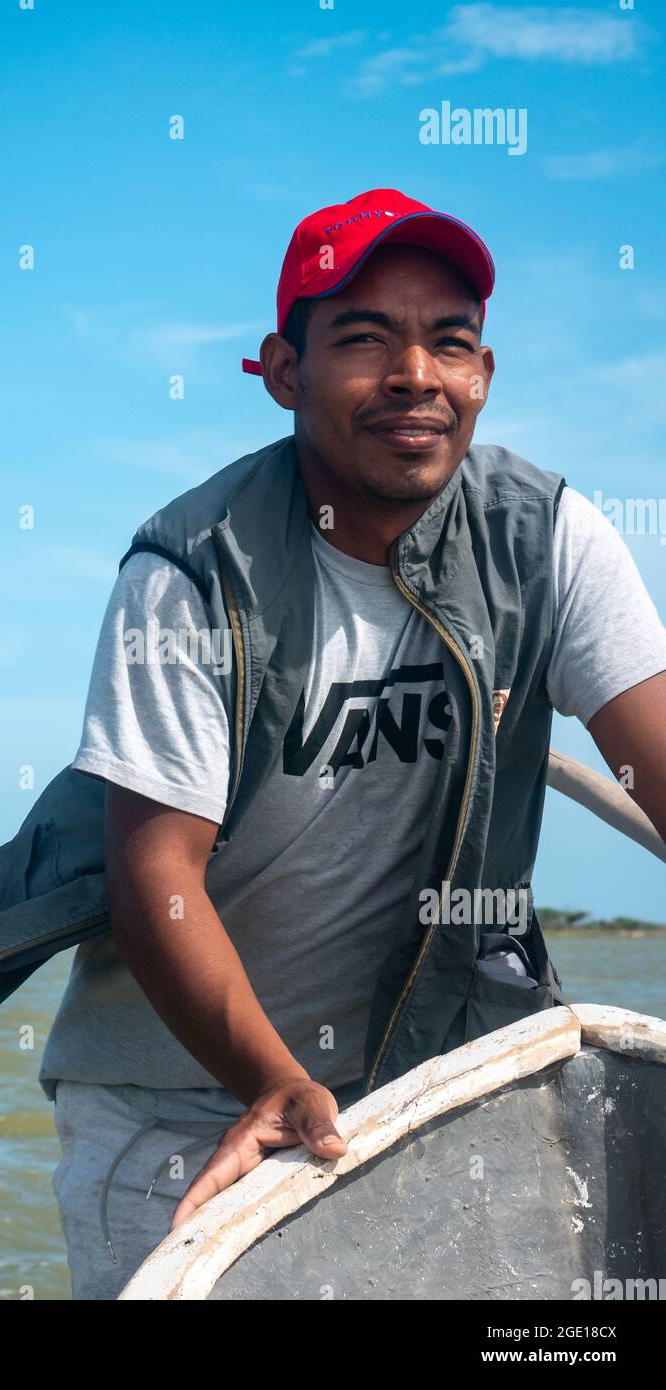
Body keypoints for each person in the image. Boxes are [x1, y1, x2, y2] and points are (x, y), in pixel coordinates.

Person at [37, 187, 666, 1300]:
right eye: (364, 338)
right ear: (284, 371)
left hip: (437, 1087)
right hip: (189, 1106)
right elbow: (153, 877)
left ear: (483, 375)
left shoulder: (549, 537)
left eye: (449, 342)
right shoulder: (191, 571)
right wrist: (270, 1084)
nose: (414, 374)